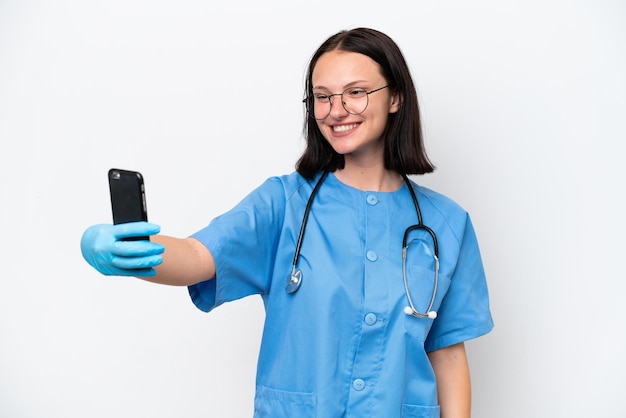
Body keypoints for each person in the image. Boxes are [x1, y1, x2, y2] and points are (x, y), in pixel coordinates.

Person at [81, 27, 494, 418]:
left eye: (356, 92)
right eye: (322, 96)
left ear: (396, 98)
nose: (337, 111)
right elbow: (197, 255)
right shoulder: (284, 202)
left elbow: (448, 353)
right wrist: (130, 253)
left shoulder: (446, 224)